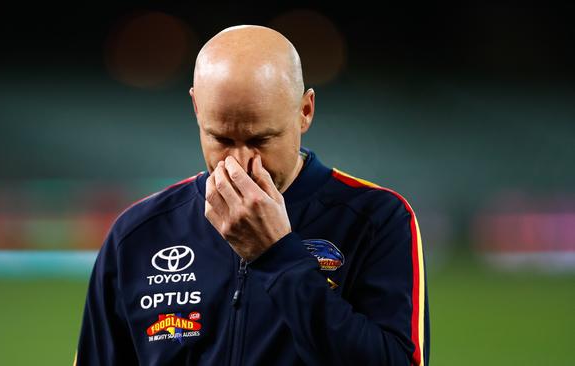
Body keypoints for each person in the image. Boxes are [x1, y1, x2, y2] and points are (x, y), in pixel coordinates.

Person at [75, 25, 430, 366]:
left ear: (305, 111)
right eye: (222, 139)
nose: (241, 162)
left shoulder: (376, 219)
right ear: (197, 108)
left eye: (261, 140)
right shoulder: (138, 233)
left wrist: (278, 257)